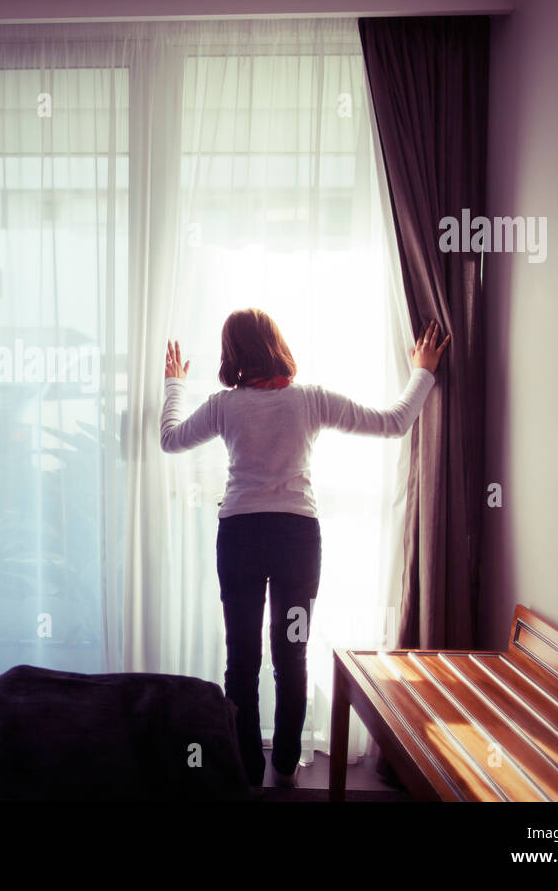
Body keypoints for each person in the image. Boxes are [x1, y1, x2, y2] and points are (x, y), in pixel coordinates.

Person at [160, 308, 450, 789]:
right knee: (291, 654)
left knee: (241, 657)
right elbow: (395, 423)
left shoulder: (224, 406)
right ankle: (288, 764)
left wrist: (174, 385)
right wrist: (423, 371)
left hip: (240, 539)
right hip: (296, 539)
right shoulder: (309, 401)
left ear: (232, 353)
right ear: (276, 344)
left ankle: (250, 769)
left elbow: (170, 439)